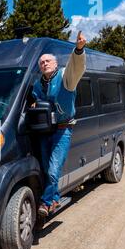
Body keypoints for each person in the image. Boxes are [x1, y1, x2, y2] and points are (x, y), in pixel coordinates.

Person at [32, 31, 87, 217]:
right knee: (46, 168)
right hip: (45, 131)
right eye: (41, 62)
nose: (44, 63)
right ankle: (55, 198)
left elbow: (76, 68)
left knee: (54, 168)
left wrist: (78, 50)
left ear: (56, 64)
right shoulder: (38, 85)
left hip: (63, 130)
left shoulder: (65, 77)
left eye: (48, 61)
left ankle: (46, 203)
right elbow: (33, 100)